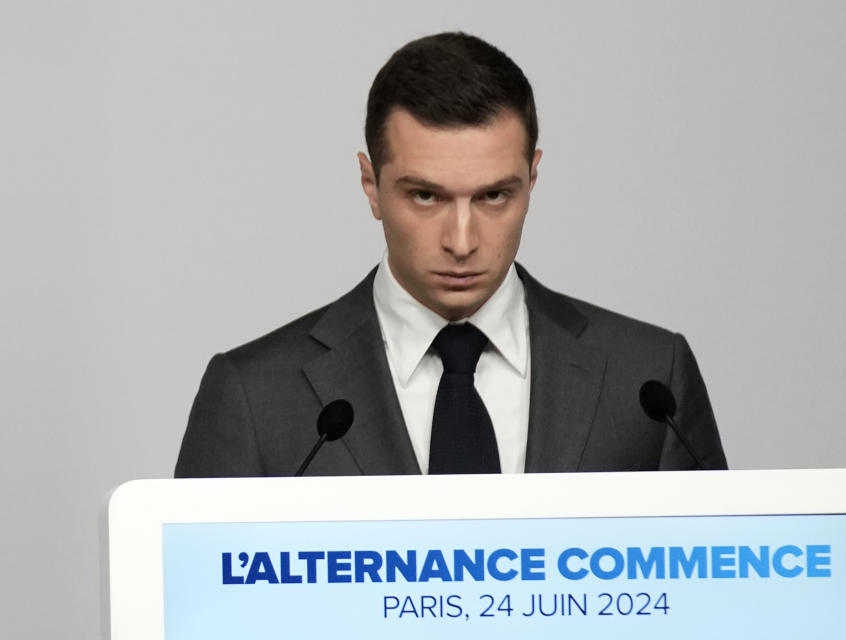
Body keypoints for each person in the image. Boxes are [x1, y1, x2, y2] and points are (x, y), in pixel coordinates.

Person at [175, 31, 727, 478]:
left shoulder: (649, 381)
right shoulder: (254, 396)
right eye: (426, 196)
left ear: (532, 178)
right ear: (371, 185)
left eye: (493, 196)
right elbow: (197, 610)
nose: (461, 242)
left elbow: (712, 600)